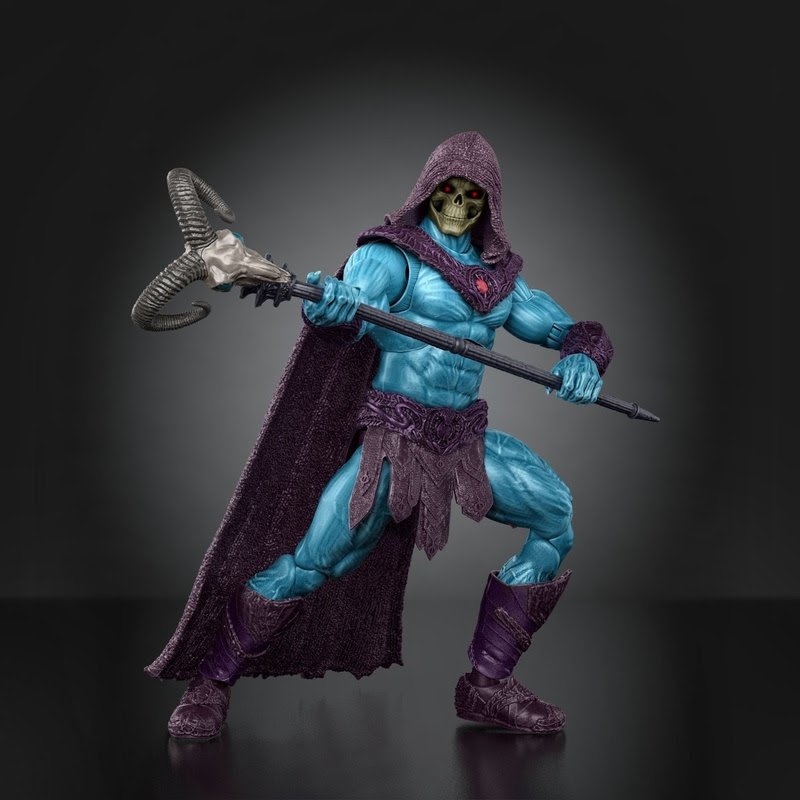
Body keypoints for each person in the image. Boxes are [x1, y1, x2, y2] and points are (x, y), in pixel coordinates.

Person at [148, 131, 613, 741]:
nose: (457, 205)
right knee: (311, 565)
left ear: (489, 204)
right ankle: (210, 682)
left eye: (471, 195)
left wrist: (584, 359)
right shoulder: (391, 256)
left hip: (463, 441)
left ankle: (488, 684)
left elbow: (569, 330)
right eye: (447, 191)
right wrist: (337, 304)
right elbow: (351, 301)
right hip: (395, 441)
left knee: (555, 519)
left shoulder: (500, 282)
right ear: (427, 191)